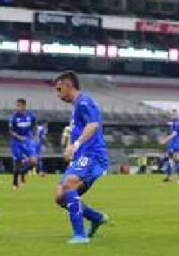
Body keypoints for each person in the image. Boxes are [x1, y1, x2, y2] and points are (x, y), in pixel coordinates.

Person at [53, 71, 108, 244]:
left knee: (69, 184)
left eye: (59, 88)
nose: (58, 93)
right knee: (60, 196)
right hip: (82, 156)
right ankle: (96, 217)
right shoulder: (77, 106)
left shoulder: (84, 101)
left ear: (69, 86)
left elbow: (93, 125)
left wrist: (74, 145)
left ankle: (80, 235)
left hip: (92, 154)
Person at [8, 98, 37, 190]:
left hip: (27, 140)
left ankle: (23, 172)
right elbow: (10, 131)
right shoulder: (14, 117)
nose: (18, 108)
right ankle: (15, 182)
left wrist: (34, 136)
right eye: (17, 106)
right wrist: (18, 137)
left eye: (19, 106)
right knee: (17, 162)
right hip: (16, 141)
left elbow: (34, 126)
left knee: (34, 161)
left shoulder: (31, 116)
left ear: (24, 106)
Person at [160, 109, 179, 186]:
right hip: (174, 144)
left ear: (176, 115)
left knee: (177, 163)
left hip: (176, 145)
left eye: (173, 114)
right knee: (169, 160)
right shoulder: (176, 123)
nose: (172, 115)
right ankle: (169, 177)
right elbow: (170, 124)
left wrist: (165, 140)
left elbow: (174, 134)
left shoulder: (176, 124)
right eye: (171, 114)